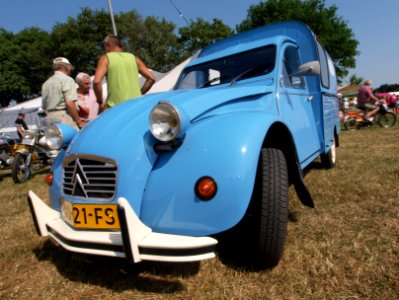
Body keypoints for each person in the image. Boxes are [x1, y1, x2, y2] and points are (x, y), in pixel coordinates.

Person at [93, 35, 156, 113]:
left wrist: (100, 102)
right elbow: (151, 79)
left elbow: (96, 82)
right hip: (136, 106)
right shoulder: (133, 58)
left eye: (104, 47)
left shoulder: (106, 58)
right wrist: (140, 93)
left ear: (108, 46)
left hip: (115, 108)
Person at [41, 57, 86, 130]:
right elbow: (69, 103)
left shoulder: (46, 83)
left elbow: (44, 106)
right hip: (65, 117)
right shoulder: (67, 80)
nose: (70, 71)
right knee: (76, 140)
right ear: (67, 68)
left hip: (49, 118)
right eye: (70, 69)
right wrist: (79, 122)